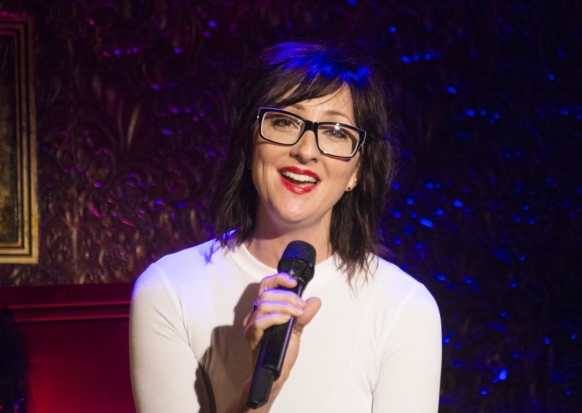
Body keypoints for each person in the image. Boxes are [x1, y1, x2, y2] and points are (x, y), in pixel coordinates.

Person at [129, 42, 442, 413]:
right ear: (251, 144)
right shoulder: (169, 289)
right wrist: (262, 392)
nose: (306, 151)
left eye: (335, 131)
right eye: (284, 121)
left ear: (356, 171)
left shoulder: (404, 307)